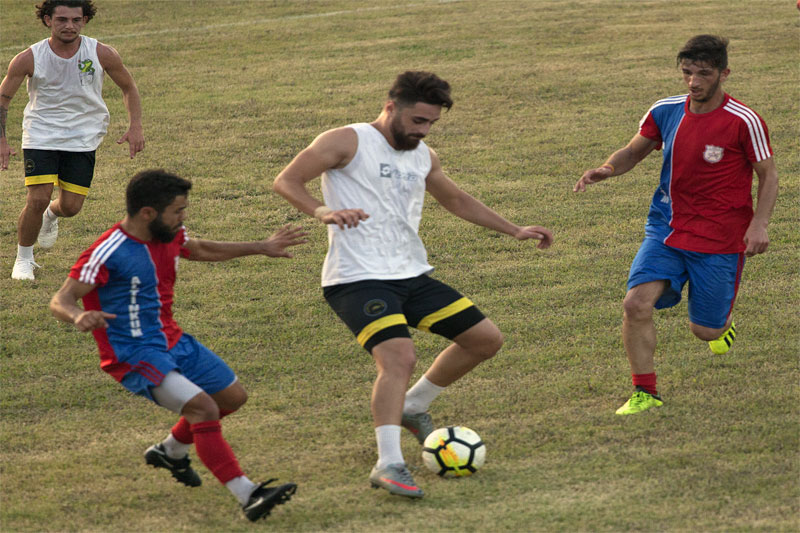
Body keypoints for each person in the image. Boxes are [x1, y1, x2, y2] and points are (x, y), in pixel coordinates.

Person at [273, 70, 553, 498]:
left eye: (431, 124)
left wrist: (513, 229)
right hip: (357, 279)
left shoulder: (423, 156)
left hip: (410, 273)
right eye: (418, 121)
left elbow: (456, 199)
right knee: (398, 358)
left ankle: (413, 405)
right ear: (391, 107)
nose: (423, 131)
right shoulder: (346, 140)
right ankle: (389, 463)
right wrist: (322, 211)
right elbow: (287, 180)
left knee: (485, 339)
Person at [50, 169, 306, 521]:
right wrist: (77, 315)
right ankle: (248, 495)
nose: (183, 218)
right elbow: (60, 299)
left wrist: (262, 246)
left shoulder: (168, 232)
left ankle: (170, 451)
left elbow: (197, 248)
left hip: (172, 339)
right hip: (133, 354)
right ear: (147, 213)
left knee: (232, 398)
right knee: (203, 409)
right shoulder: (109, 251)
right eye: (178, 211)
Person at [573, 35, 778, 416]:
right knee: (635, 304)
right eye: (687, 73)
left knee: (706, 332)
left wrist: (759, 224)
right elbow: (635, 149)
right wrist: (608, 168)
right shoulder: (666, 111)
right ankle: (644, 392)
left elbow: (768, 175)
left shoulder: (744, 121)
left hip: (720, 239)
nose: (694, 82)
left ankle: (721, 324)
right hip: (666, 229)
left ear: (723, 73)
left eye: (703, 74)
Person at [1, 0, 145, 281]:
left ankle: (50, 216)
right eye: (62, 20)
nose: (69, 26)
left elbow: (128, 87)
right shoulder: (29, 58)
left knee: (71, 207)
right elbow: (4, 99)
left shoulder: (101, 53)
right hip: (41, 134)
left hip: (83, 136)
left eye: (76, 20)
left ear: (85, 21)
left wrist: (135, 126)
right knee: (38, 197)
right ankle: (23, 259)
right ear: (47, 20)